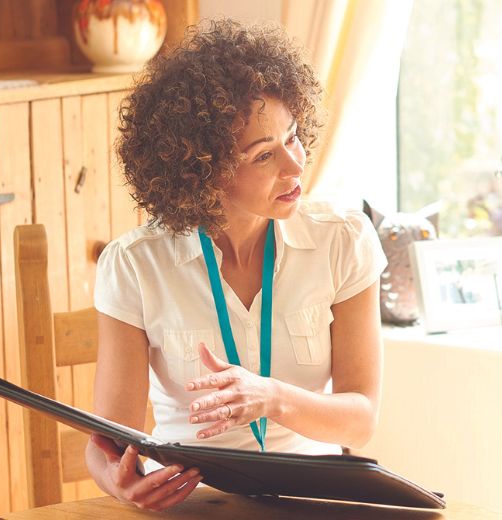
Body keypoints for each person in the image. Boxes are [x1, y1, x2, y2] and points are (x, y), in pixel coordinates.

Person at [86, 19, 386, 512]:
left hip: (315, 501)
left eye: (292, 137)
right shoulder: (134, 265)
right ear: (203, 172)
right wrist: (117, 481)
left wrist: (271, 398)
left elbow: (362, 419)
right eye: (264, 155)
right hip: (192, 504)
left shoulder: (344, 240)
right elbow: (107, 442)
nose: (295, 165)